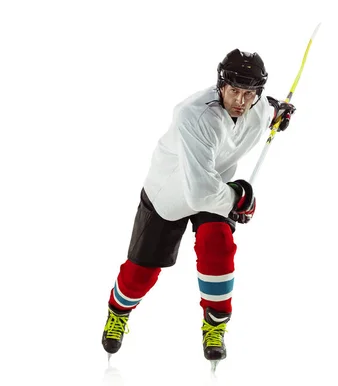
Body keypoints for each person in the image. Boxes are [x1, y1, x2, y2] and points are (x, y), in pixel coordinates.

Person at [101, 48, 295, 363]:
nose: (241, 101)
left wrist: (278, 113)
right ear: (220, 86)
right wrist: (241, 198)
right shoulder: (194, 115)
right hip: (169, 193)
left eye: (250, 94)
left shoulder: (258, 107)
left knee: (217, 246)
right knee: (140, 274)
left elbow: (266, 109)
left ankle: (215, 326)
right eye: (234, 91)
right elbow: (200, 194)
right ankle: (118, 312)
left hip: (214, 186)